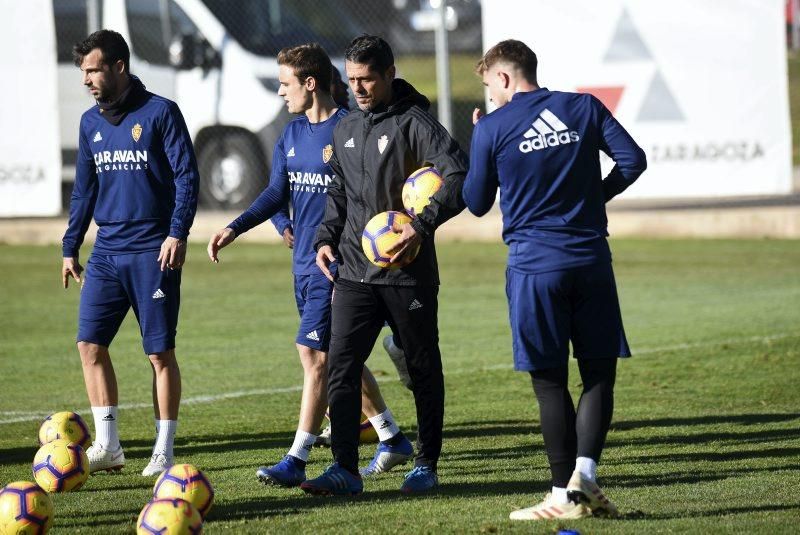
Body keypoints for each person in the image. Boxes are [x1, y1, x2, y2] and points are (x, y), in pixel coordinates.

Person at [207, 43, 414, 488]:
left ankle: (297, 457)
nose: (281, 93)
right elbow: (276, 192)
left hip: (337, 267)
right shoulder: (292, 134)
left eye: (285, 84)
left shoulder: (348, 130)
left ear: (310, 83)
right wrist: (241, 226)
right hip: (301, 267)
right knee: (341, 357)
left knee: (313, 356)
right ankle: (392, 437)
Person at [462, 39, 647, 520]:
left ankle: (563, 494)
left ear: (504, 78)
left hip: (533, 269)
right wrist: (592, 200)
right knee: (598, 374)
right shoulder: (583, 106)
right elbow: (633, 160)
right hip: (590, 260)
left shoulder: (494, 126)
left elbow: (477, 202)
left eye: (489, 88)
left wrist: (481, 138)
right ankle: (585, 476)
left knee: (549, 383)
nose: (490, 98)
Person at [303, 35, 468, 496]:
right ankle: (345, 471)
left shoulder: (416, 123)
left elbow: (457, 174)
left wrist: (422, 223)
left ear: (389, 74)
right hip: (354, 270)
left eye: (367, 79)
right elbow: (338, 191)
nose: (357, 88)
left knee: (421, 366)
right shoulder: (345, 125)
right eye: (352, 79)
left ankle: (426, 463)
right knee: (341, 364)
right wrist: (323, 238)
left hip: (405, 272)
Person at [61, 30, 199, 477]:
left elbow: (186, 177)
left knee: (159, 354)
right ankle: (108, 444)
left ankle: (163, 447)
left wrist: (177, 233)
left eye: (94, 69)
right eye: (83, 71)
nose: (86, 80)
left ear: (119, 66)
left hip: (153, 252)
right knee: (89, 345)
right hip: (106, 253)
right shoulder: (89, 123)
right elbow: (84, 190)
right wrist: (70, 245)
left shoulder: (160, 113)